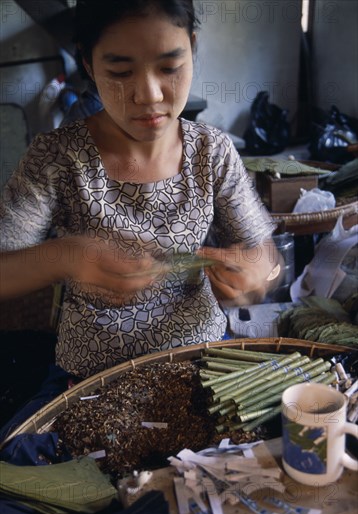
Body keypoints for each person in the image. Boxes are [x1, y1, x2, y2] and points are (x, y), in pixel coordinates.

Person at [0, 0, 283, 426]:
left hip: (202, 361)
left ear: (192, 46)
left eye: (170, 67)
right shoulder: (57, 158)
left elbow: (264, 255)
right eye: (120, 71)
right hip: (94, 376)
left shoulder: (213, 152)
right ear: (88, 64)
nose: (149, 94)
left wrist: (255, 277)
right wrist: (68, 256)